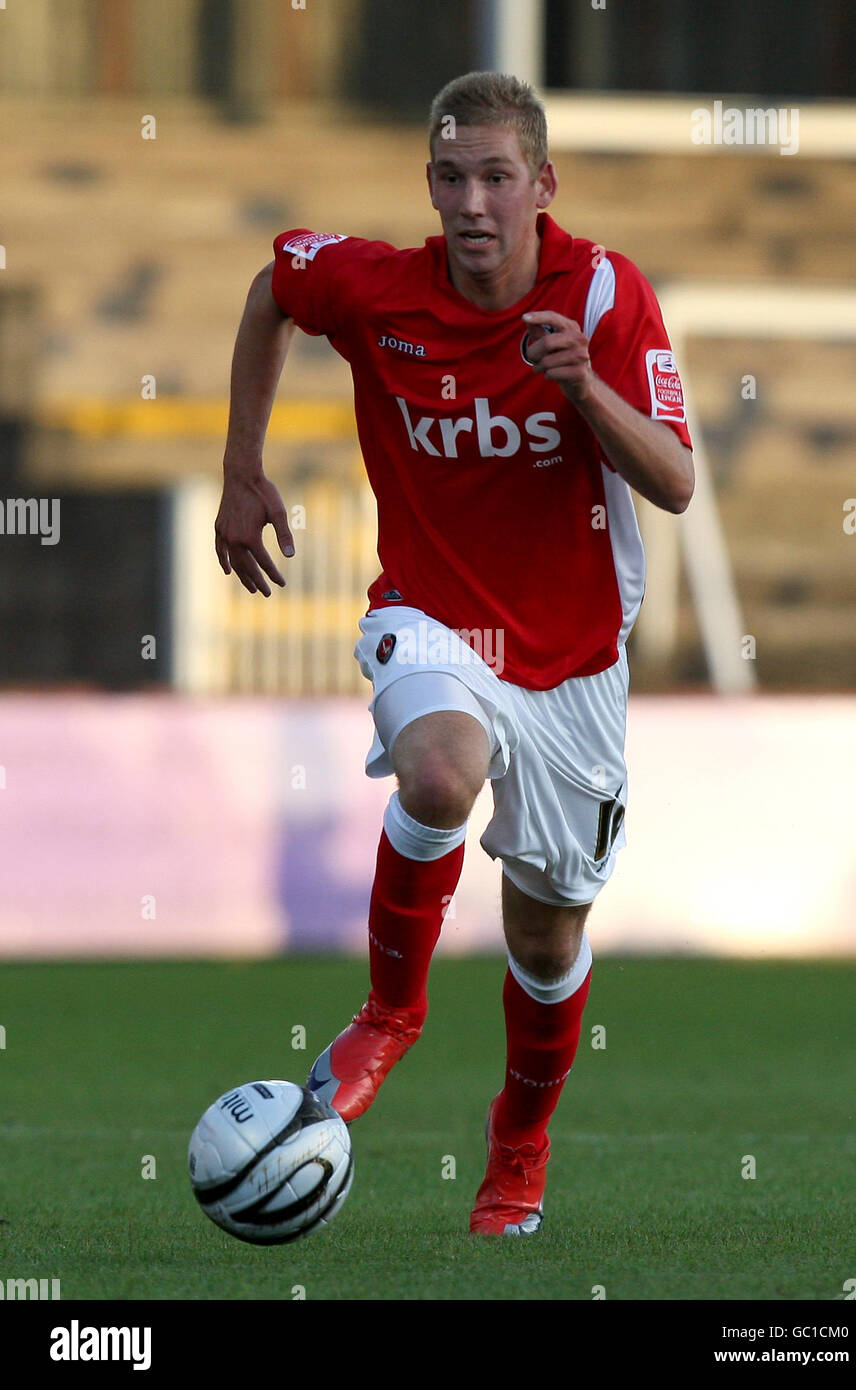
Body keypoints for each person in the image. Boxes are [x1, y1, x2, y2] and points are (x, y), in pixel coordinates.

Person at [214, 71, 693, 1236]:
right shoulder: (377, 288)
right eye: (449, 178)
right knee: (437, 771)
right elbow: (273, 289)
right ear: (426, 185)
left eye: (494, 177)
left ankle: (516, 1146)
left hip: (574, 664)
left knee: (545, 934)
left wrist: (581, 384)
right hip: (430, 619)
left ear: (542, 185)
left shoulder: (602, 294)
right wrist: (242, 467)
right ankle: (388, 1012)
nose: (470, 203)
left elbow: (673, 480)